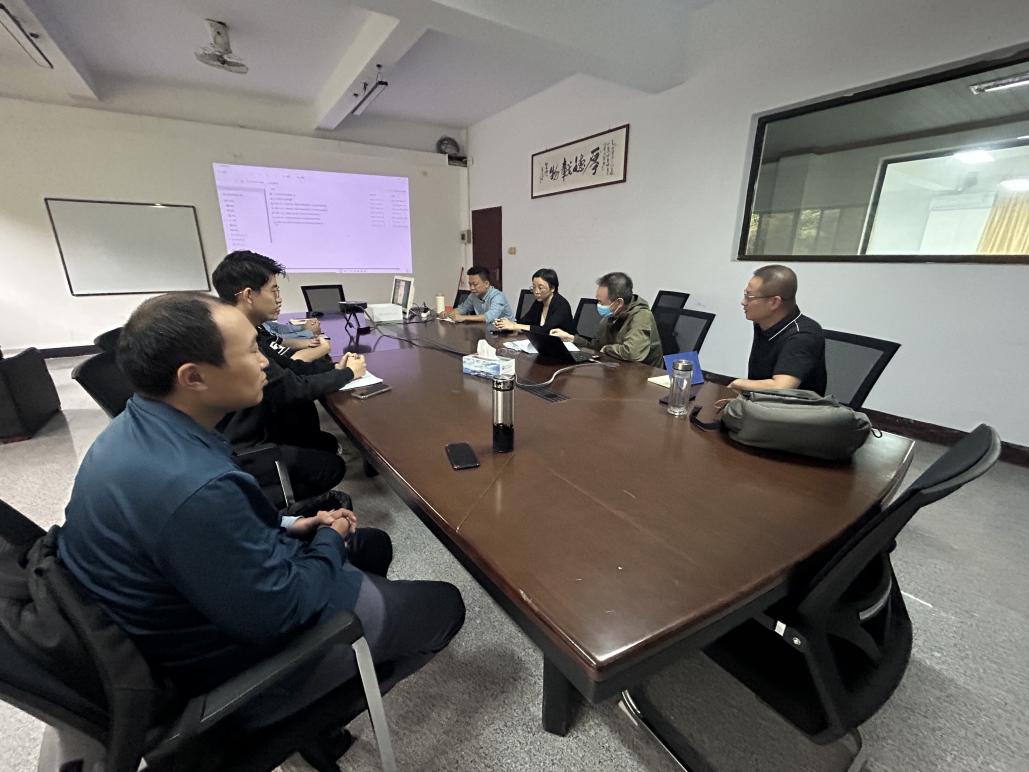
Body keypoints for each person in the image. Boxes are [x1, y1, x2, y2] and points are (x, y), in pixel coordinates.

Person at [58, 292, 465, 730]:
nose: (266, 363)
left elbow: (218, 532)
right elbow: (284, 609)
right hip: (234, 663)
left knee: (373, 544)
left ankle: (361, 631)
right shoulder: (194, 486)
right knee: (446, 605)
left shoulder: (139, 427)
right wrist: (328, 538)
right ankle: (316, 710)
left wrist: (292, 523)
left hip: (202, 605)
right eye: (252, 352)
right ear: (193, 377)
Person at [728, 264, 827, 395]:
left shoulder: (803, 335)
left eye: (749, 297)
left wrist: (739, 383)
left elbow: (782, 386)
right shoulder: (763, 323)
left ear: (774, 302)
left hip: (793, 406)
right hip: (761, 401)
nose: (743, 302)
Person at [550, 271, 663, 367]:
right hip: (617, 368)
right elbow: (596, 346)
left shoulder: (642, 315)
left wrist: (606, 349)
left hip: (645, 376)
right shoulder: (611, 315)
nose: (598, 305)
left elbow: (632, 353)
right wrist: (571, 339)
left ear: (619, 302)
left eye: (601, 302)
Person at [494, 267, 575, 335]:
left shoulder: (561, 305)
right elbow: (524, 323)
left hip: (565, 345)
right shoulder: (539, 302)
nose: (536, 292)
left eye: (540, 288)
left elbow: (545, 331)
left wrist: (514, 326)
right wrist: (506, 324)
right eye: (534, 287)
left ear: (552, 288)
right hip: (543, 343)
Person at [443, 266, 513, 326]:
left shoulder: (498, 296)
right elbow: (463, 309)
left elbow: (490, 317)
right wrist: (448, 314)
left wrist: (463, 317)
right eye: (470, 284)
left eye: (475, 284)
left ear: (486, 284)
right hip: (487, 329)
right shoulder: (473, 296)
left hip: (508, 331)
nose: (471, 288)